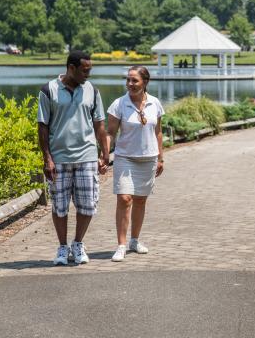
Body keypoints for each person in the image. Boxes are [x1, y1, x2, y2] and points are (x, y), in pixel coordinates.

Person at [37, 50, 110, 266]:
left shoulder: (92, 91)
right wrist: (47, 158)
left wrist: (105, 152)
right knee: (59, 206)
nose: (88, 74)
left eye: (90, 70)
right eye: (85, 70)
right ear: (71, 68)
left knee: (87, 204)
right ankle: (62, 247)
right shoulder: (48, 90)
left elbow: (99, 124)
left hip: (86, 156)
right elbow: (43, 126)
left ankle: (78, 244)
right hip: (59, 157)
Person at [106, 66, 165, 262]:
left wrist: (161, 157)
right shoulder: (119, 104)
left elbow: (158, 132)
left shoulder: (155, 103)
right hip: (125, 158)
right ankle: (121, 245)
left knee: (140, 200)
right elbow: (110, 133)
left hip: (148, 158)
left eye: (135, 81)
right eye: (128, 80)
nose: (130, 84)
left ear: (145, 82)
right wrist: (104, 155)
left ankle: (134, 240)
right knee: (124, 199)